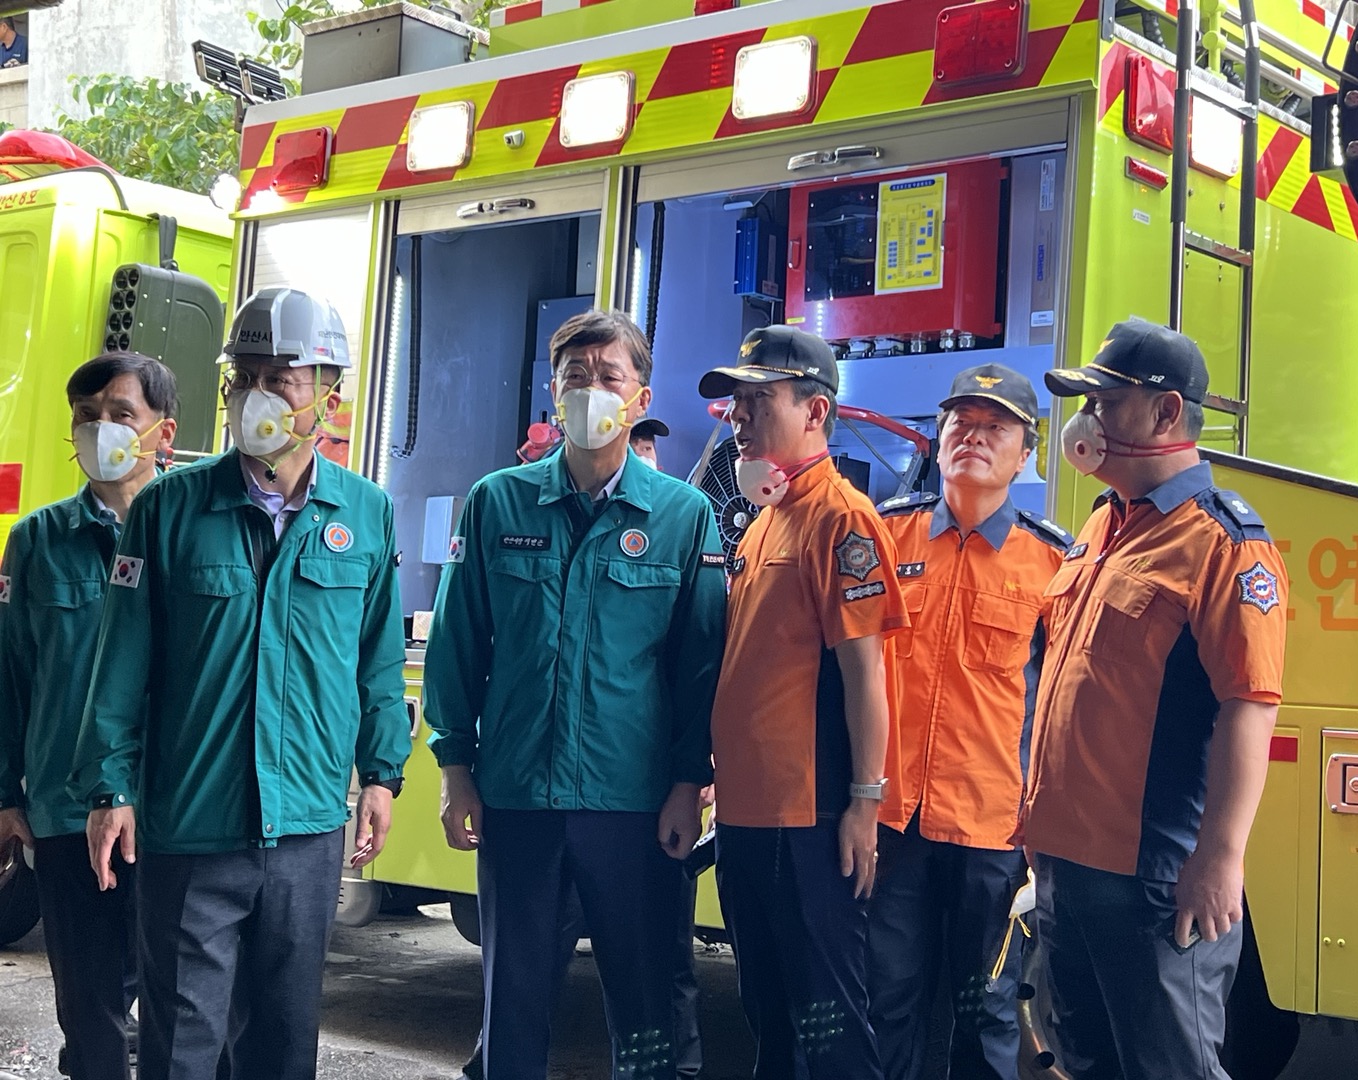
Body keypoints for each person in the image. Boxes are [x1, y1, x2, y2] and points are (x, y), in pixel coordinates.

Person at [69, 287, 412, 1080]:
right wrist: (109, 789)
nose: (255, 393)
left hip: (306, 829)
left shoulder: (365, 512)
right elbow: (120, 664)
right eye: (243, 374)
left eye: (279, 377)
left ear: (327, 392)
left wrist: (384, 774)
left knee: (283, 1047)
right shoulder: (166, 509)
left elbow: (377, 658)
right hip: (193, 826)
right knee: (181, 1047)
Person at [425, 309, 726, 1080]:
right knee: (513, 1005)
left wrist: (688, 784)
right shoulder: (497, 502)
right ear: (553, 397)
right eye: (575, 379)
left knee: (646, 1006)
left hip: (635, 804)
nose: (591, 391)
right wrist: (457, 768)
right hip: (519, 796)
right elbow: (461, 646)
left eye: (608, 378)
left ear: (640, 395)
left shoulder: (682, 517)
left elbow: (699, 670)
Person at [1022, 318, 1289, 1080]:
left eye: (1105, 401)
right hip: (1067, 870)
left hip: (1153, 877)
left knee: (1169, 1068)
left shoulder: (1223, 543)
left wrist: (1220, 858)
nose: (1087, 422)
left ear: (1166, 412)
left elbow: (1251, 703)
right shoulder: (1102, 528)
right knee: (1083, 1061)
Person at [699, 325, 907, 1080]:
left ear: (815, 411)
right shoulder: (766, 518)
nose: (739, 416)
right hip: (751, 817)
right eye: (737, 402)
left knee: (827, 1024)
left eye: (758, 400)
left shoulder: (841, 518)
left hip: (808, 818)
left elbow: (865, 675)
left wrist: (863, 802)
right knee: (771, 1014)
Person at [867, 364, 1070, 1080]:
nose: (974, 437)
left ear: (1027, 453)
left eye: (996, 427)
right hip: (893, 823)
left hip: (993, 831)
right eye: (961, 422)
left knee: (983, 1007)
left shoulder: (1054, 561)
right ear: (938, 437)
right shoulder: (888, 539)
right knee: (884, 999)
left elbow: (1059, 709)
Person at [0, 352, 176, 1080]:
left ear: (162, 433)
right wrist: (8, 795)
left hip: (177, 810)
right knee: (90, 1005)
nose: (100, 430)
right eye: (86, 416)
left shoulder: (193, 528)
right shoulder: (36, 541)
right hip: (67, 808)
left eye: (120, 414)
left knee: (180, 1001)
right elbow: (11, 676)